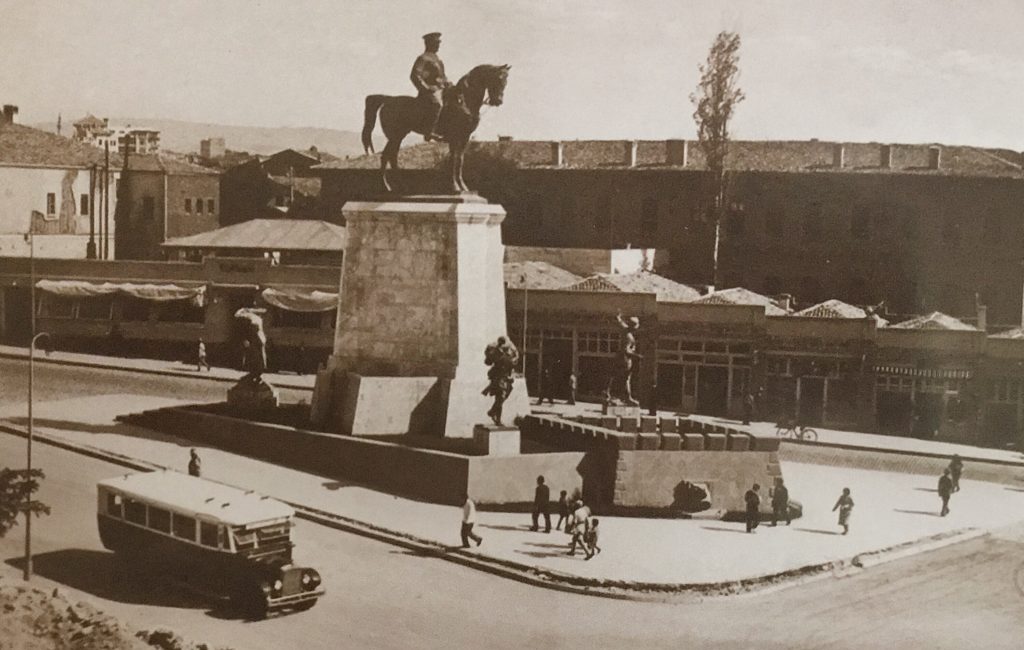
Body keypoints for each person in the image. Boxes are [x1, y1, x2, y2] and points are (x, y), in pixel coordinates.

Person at [410, 32, 449, 142]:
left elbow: (443, 77)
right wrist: (426, 88)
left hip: (441, 89)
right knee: (437, 104)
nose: (438, 46)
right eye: (435, 43)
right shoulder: (423, 58)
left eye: (438, 43)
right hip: (429, 92)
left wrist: (448, 84)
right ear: (428, 44)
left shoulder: (437, 59)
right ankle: (429, 132)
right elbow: (415, 75)